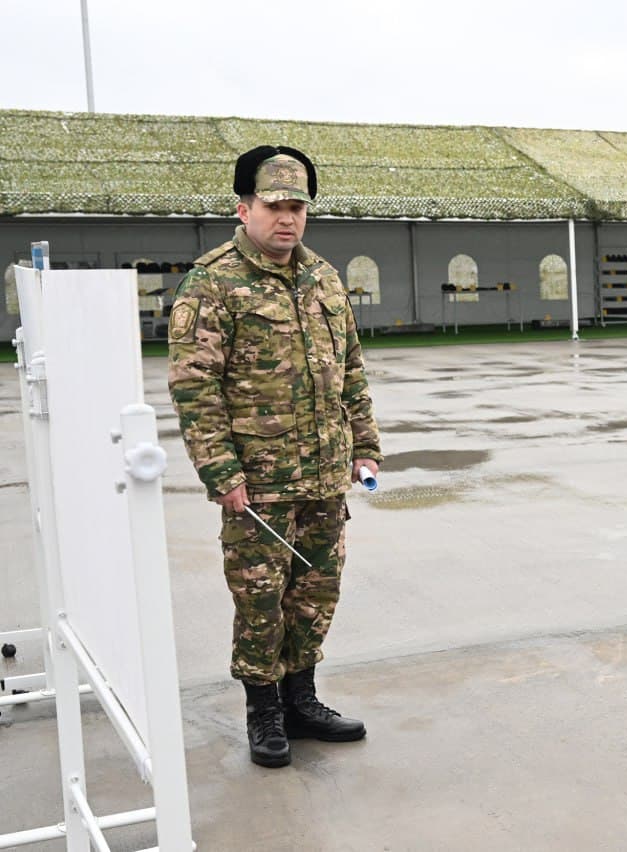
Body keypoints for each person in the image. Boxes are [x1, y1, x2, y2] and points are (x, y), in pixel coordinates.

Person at [168, 145, 382, 768]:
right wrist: (220, 471)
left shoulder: (324, 278)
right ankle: (263, 710)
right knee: (260, 599)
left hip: (324, 477)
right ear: (245, 209)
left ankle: (301, 701)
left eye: (297, 207)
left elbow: (350, 371)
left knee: (315, 594)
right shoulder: (212, 283)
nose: (287, 219)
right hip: (257, 484)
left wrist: (364, 448)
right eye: (274, 207)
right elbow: (195, 386)